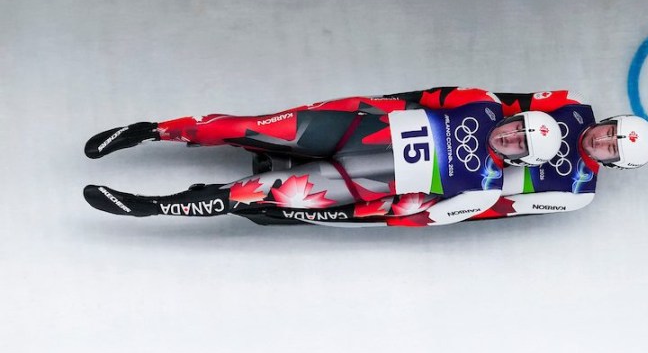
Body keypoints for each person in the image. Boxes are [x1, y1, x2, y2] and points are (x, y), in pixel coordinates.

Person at [83, 87, 562, 227]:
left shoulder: (481, 188)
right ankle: (152, 131)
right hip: (353, 128)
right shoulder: (480, 104)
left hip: (353, 179)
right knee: (242, 127)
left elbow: (414, 215)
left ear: (521, 161)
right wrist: (360, 108)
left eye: (520, 145)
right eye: (517, 127)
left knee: (248, 195)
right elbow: (415, 97)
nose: (511, 137)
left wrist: (351, 212)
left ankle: (152, 206)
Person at [468, 90, 648, 220]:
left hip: (475, 177)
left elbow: (503, 207)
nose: (600, 141)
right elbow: (508, 105)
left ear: (612, 164)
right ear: (609, 121)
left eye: (611, 149)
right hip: (483, 132)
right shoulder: (573, 102)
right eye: (609, 132)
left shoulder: (580, 193)